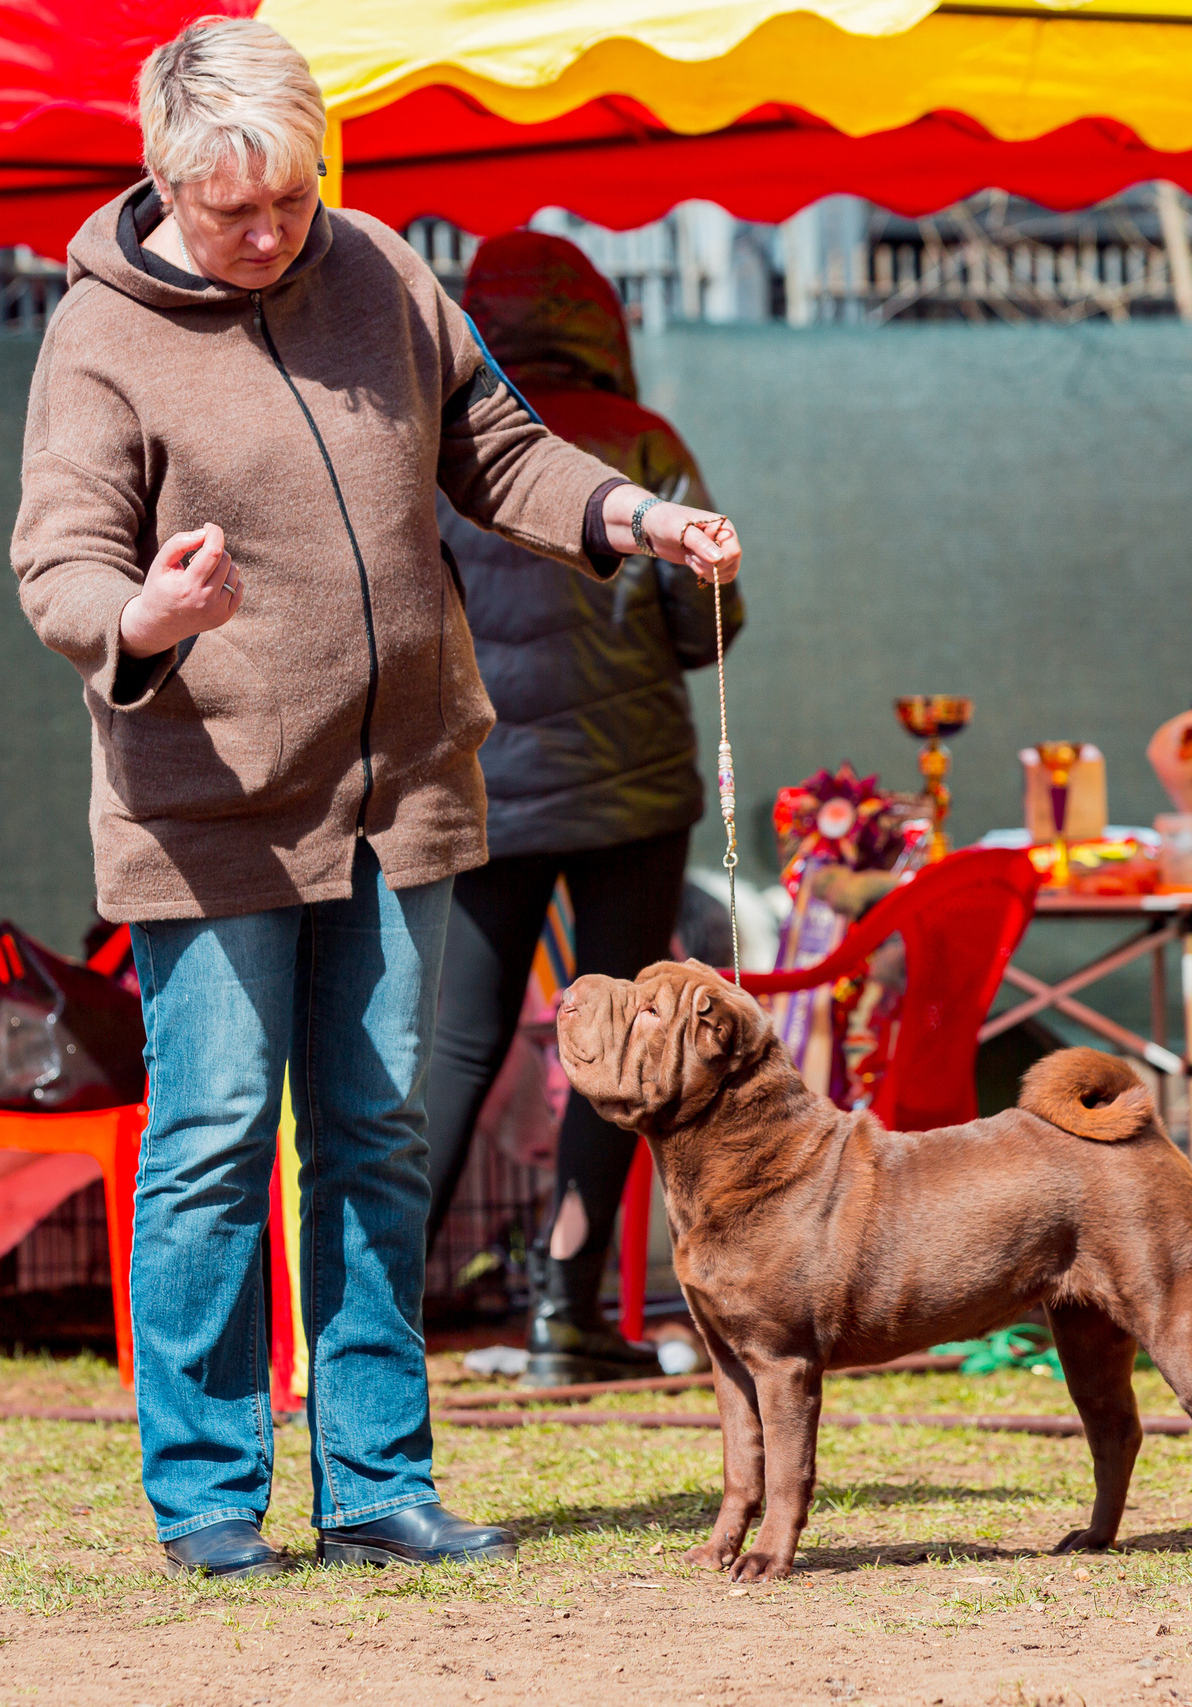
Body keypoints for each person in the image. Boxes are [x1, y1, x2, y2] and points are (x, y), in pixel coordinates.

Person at [10, 17, 743, 1579]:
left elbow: (497, 450)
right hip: (207, 809)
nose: (274, 234)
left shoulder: (386, 272)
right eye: (236, 213)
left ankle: (377, 1482)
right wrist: (138, 620)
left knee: (378, 1130)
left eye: (294, 198)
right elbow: (58, 555)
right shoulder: (98, 332)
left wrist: (629, 513)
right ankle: (209, 1495)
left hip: (401, 784)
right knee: (212, 1135)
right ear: (163, 180)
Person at [422, 233, 746, 1386]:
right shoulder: (643, 440)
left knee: (455, 1049)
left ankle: (380, 1318)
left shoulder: (444, 432)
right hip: (630, 790)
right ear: (604, 319)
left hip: (482, 784)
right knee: (628, 1047)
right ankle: (568, 1308)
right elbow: (709, 623)